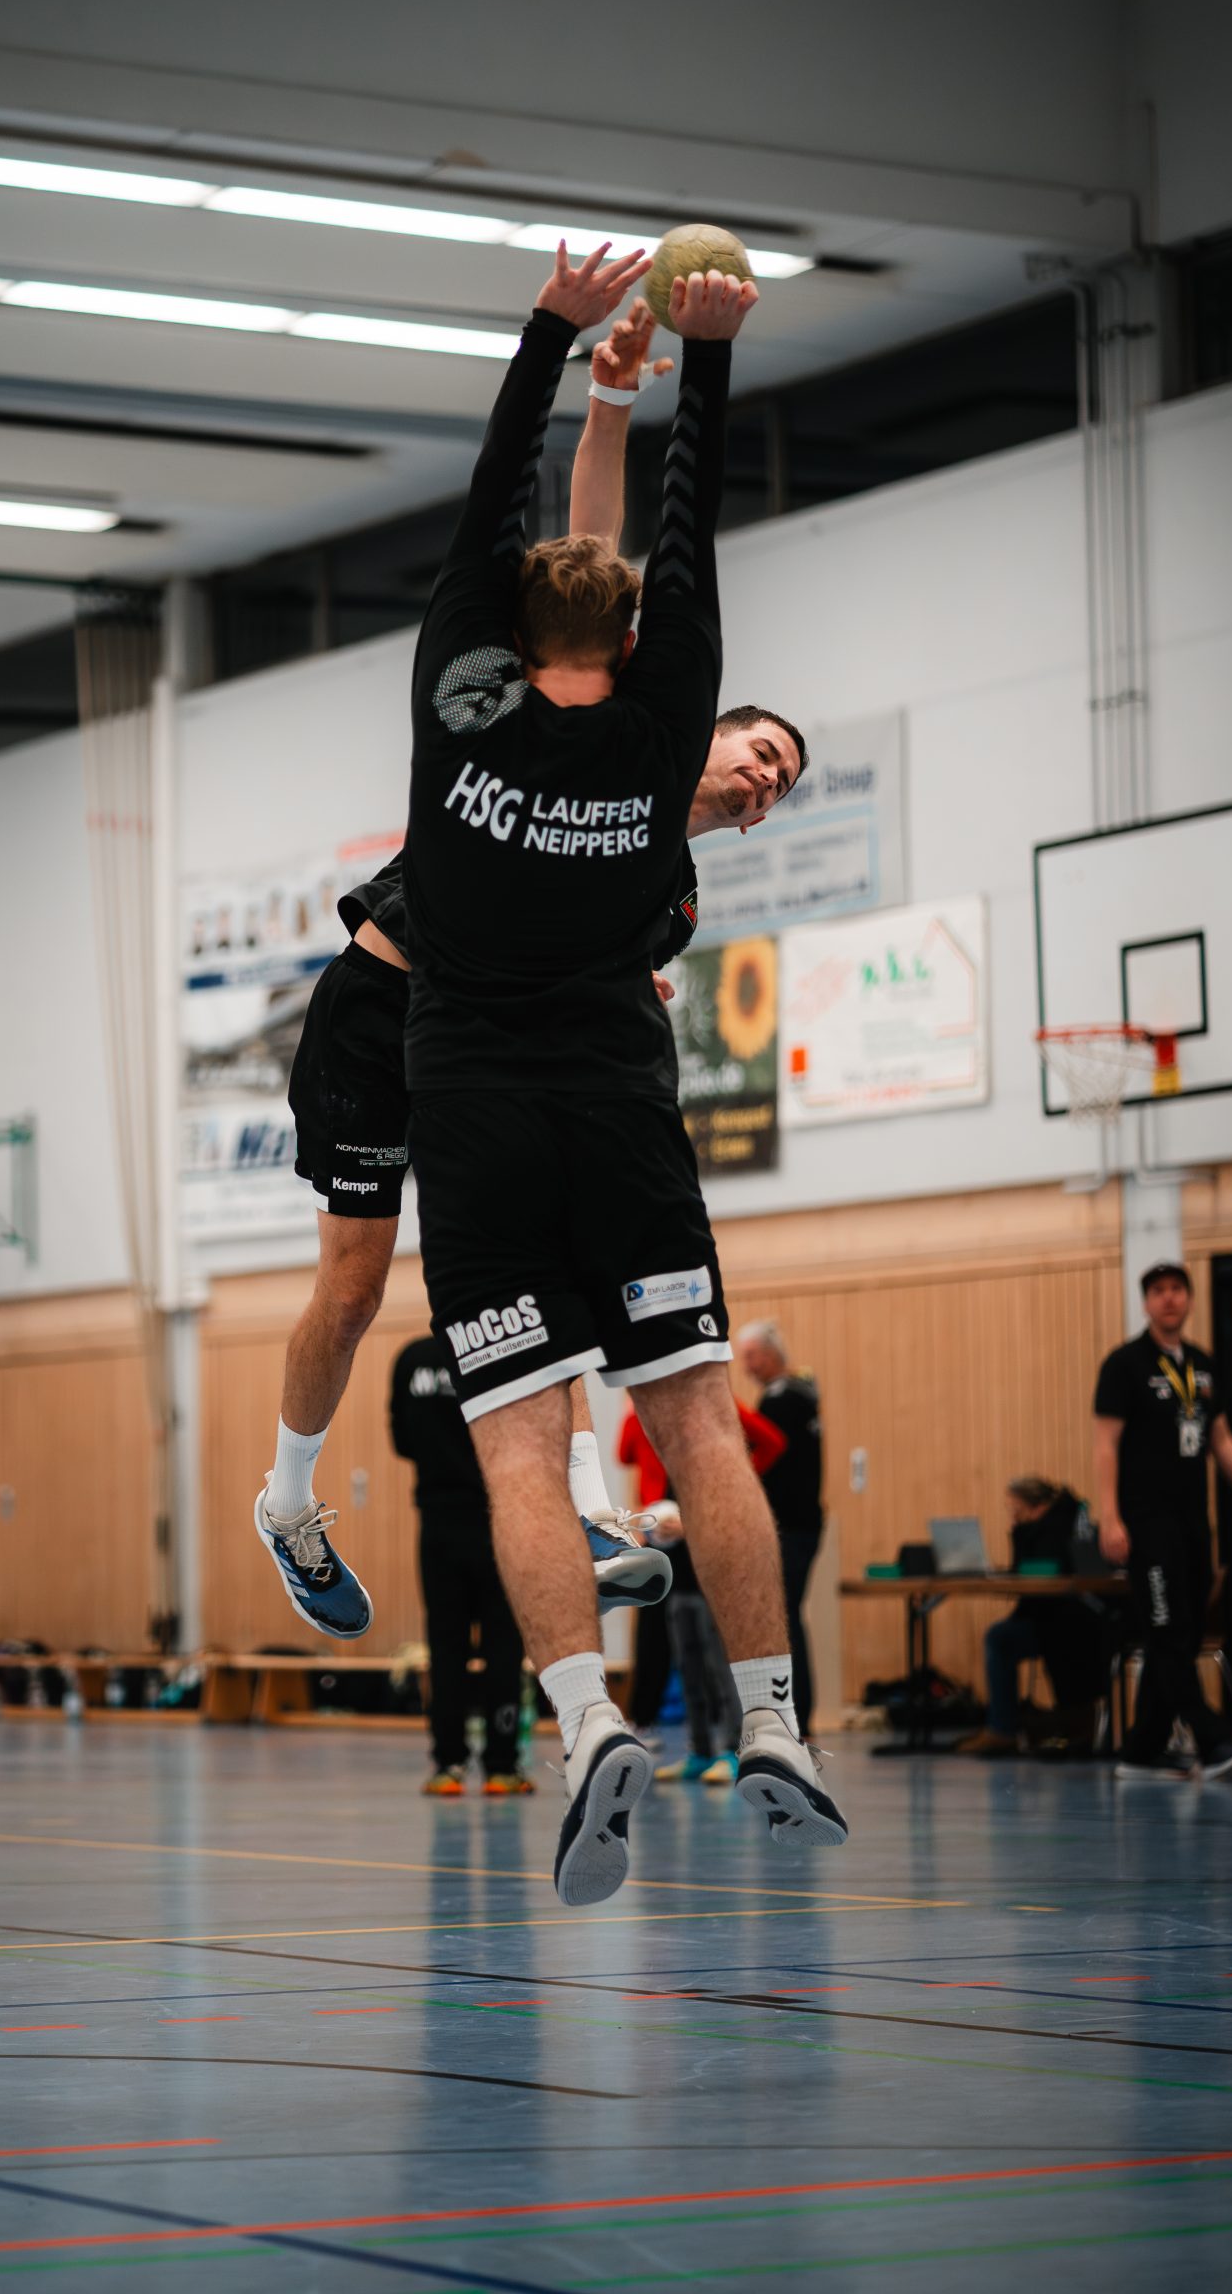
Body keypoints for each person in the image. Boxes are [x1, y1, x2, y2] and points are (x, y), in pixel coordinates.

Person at [402, 240, 843, 1910]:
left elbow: (509, 526)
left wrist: (559, 341)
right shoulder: (660, 741)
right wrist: (681, 369)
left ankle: (586, 1717)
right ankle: (775, 1722)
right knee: (696, 1422)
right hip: (611, 1105)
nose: (754, 769)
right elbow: (671, 533)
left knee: (521, 1451)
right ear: (663, 662)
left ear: (502, 636)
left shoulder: (464, 707)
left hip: (476, 1104)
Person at [254, 301, 793, 1645]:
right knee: (351, 1288)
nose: (764, 778)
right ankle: (287, 1499)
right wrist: (607, 401)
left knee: (558, 1245)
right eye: (761, 751)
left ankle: (590, 1506)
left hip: (493, 1062)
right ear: (703, 723)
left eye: (782, 782)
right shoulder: (578, 714)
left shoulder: (666, 890)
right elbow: (588, 553)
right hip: (382, 1005)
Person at [1094, 1260, 1232, 1782]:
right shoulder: (1124, 1365)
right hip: (1145, 1520)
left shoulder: (1202, 1365)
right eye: (1158, 1290)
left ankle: (1142, 1750)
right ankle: (1212, 1736)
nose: (1169, 1298)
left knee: (1187, 1630)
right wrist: (1109, 1517)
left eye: (1177, 1289)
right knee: (1166, 1629)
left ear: (1190, 1299)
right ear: (1147, 1303)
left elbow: (1220, 1439)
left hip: (1193, 1522)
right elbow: (1105, 1445)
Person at [390, 1332, 532, 1795]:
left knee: (445, 1645)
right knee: (503, 1645)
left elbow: (402, 1441)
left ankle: (447, 1764)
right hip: (495, 1517)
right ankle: (501, 1767)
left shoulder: (412, 1359)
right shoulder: (492, 1345)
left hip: (437, 1521)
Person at [619, 1395, 786, 1783]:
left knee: (717, 1659)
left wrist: (694, 1522)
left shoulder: (718, 1424)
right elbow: (634, 1463)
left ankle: (733, 1748)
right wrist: (656, 1527)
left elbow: (764, 1453)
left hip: (712, 1565)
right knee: (687, 1656)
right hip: (677, 1565)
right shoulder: (662, 1433)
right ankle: (700, 1750)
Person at [955, 1477, 1110, 1757]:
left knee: (1000, 1638)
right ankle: (1005, 1726)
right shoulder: (1062, 1520)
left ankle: (1003, 1729)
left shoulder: (1057, 1527)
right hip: (1054, 1618)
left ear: (1035, 1506)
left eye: (1016, 1509)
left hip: (1070, 1622)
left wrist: (1019, 1533)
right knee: (1001, 1636)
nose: (1014, 1516)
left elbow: (1042, 1568)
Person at [736, 1321, 824, 1737]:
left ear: (771, 1353)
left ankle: (795, 1714)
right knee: (789, 1616)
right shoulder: (804, 1394)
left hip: (789, 1526)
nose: (746, 1366)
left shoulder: (781, 1400)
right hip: (804, 1523)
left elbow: (770, 1458)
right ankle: (797, 1714)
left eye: (751, 1356)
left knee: (784, 1618)